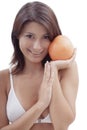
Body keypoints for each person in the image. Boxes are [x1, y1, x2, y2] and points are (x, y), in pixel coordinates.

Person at [0, 1, 79, 130]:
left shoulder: (66, 70)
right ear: (17, 36)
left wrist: (52, 70)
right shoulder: (4, 79)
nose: (37, 46)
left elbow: (62, 125)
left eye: (45, 37)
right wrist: (41, 104)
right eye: (30, 36)